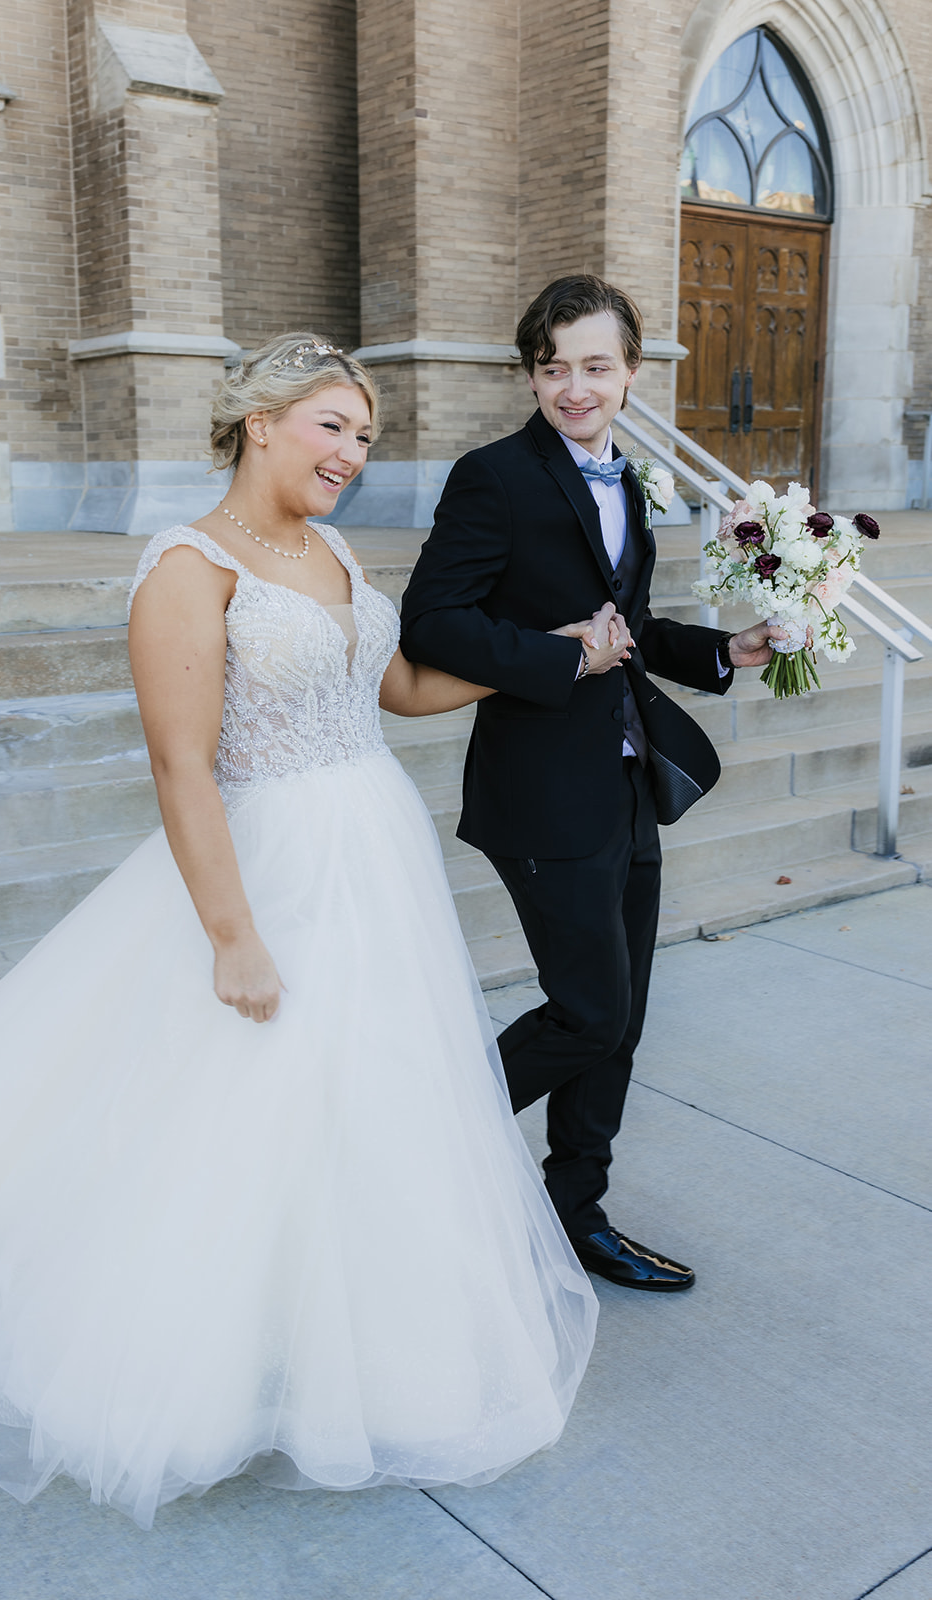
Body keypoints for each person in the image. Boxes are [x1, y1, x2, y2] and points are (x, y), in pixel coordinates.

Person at [0, 333, 598, 1530]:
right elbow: (179, 764)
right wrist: (230, 935)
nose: (352, 455)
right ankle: (206, 1360)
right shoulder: (188, 566)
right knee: (249, 1096)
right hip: (268, 865)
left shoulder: (328, 552)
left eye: (363, 437)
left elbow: (396, 687)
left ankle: (358, 1334)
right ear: (259, 422)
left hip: (373, 851)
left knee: (371, 1092)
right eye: (331, 427)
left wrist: (551, 662)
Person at [401, 276, 787, 1293]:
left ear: (630, 371)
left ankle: (574, 1210)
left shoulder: (627, 480)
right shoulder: (494, 477)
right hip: (540, 789)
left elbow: (631, 626)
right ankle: (418, 1143)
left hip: (624, 783)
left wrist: (725, 650)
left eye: (595, 365)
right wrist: (559, 653)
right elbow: (431, 623)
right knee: (586, 1011)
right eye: (553, 366)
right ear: (531, 373)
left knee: (620, 1013)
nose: (574, 387)